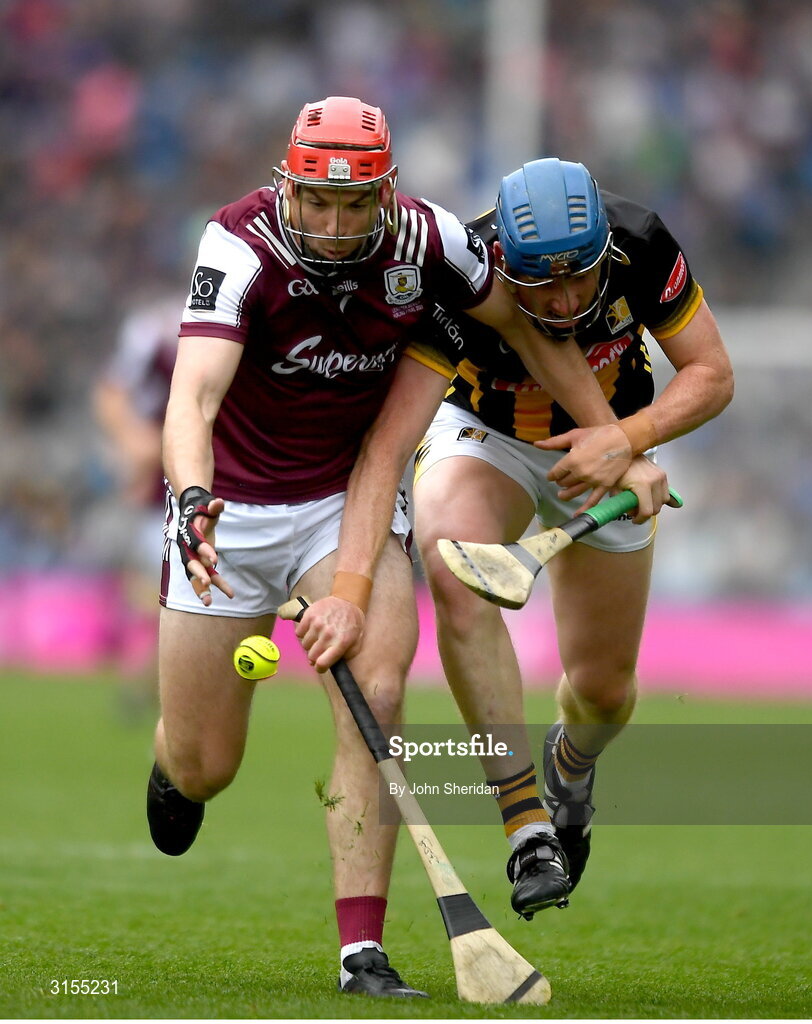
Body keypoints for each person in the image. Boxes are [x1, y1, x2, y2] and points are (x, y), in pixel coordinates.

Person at [148, 101, 630, 999]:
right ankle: (173, 758)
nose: (334, 227)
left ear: (387, 193)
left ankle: (359, 951)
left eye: (354, 205)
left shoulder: (427, 245)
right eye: (317, 204)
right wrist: (189, 497)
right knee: (203, 764)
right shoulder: (237, 246)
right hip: (227, 512)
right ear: (288, 186)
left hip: (344, 506)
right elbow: (194, 396)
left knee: (374, 690)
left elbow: (531, 331)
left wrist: (616, 441)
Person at [301, 157, 733, 919]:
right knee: (453, 562)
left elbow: (711, 374)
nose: (563, 302)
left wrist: (627, 444)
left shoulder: (640, 242)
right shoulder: (465, 270)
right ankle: (525, 823)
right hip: (484, 436)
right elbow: (399, 429)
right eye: (541, 284)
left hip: (611, 443)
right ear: (505, 262)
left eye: (579, 279)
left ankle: (569, 771)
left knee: (602, 693)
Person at [92, 292, 182, 719]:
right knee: (162, 597)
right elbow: (111, 393)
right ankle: (147, 683)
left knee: (166, 600)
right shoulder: (157, 327)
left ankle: (146, 684)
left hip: (215, 487)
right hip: (161, 496)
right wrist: (135, 442)